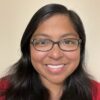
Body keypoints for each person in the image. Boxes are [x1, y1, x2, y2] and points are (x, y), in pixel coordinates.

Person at [0, 3, 100, 100]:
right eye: (43, 42)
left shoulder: (96, 93)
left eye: (68, 41)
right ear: (28, 48)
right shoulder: (3, 90)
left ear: (80, 48)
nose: (55, 55)